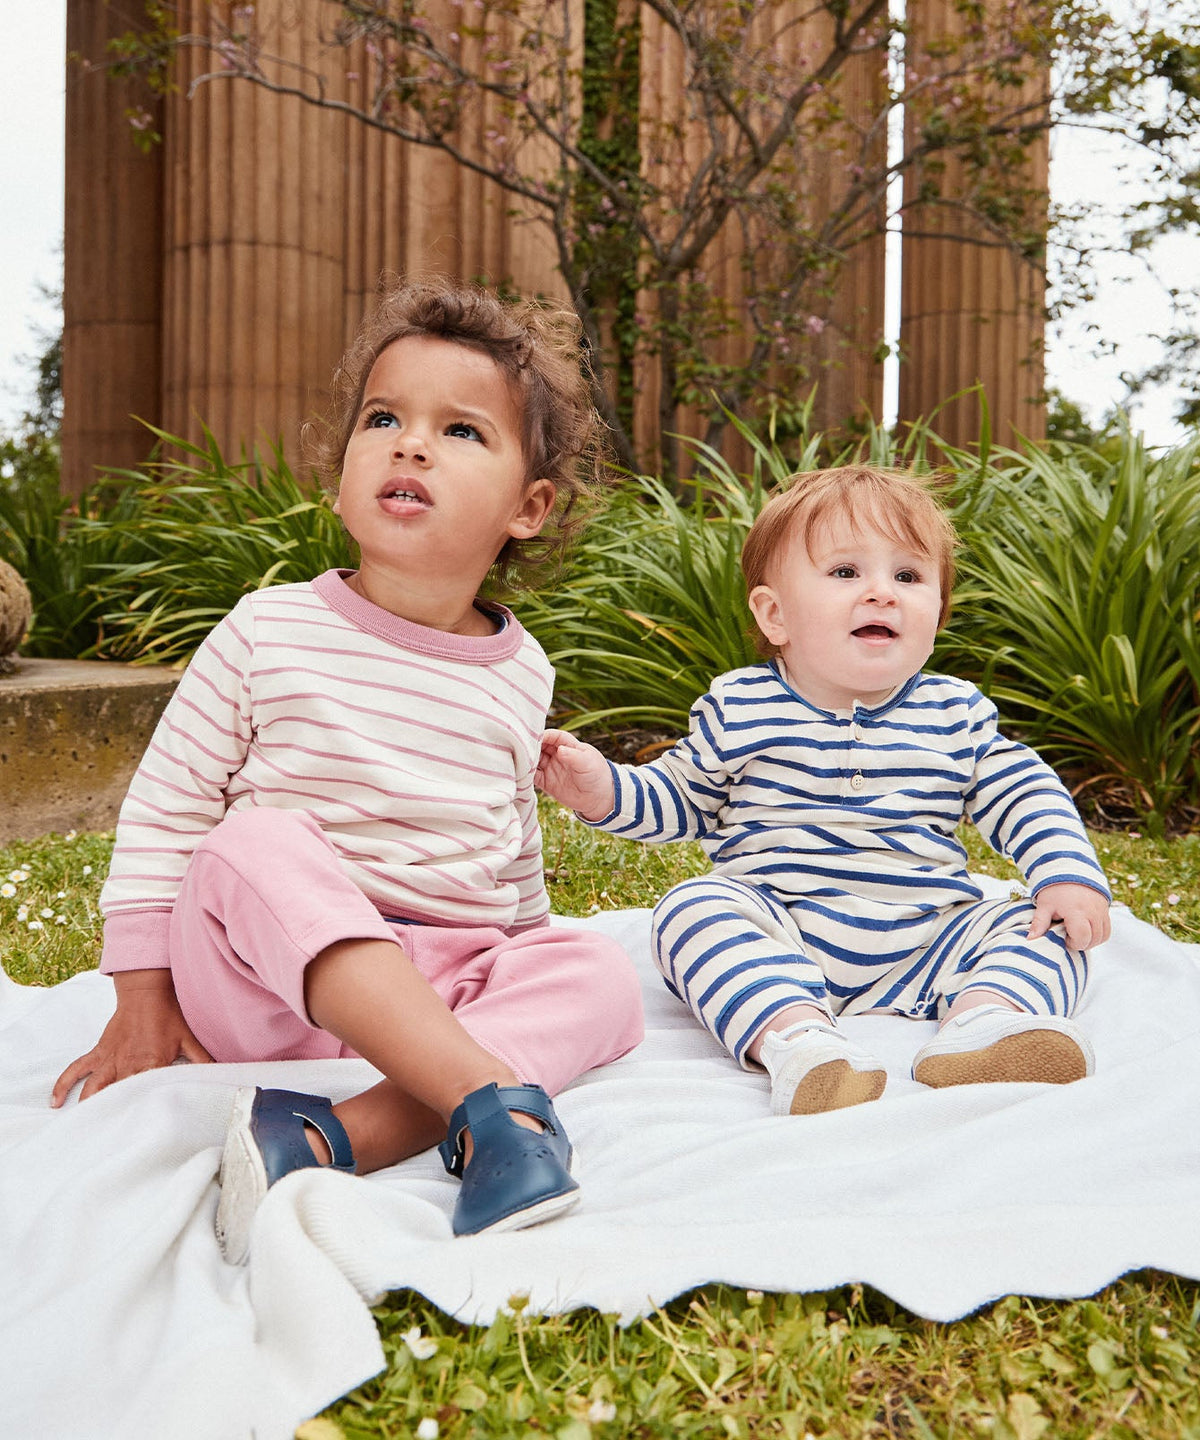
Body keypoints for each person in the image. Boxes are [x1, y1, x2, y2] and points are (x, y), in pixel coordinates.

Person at [51, 277, 644, 1262]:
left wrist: (525, 956)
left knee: (599, 973)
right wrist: (142, 1001)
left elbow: (509, 843)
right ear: (341, 477)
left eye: (461, 431)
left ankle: (337, 1135)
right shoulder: (269, 628)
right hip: (267, 987)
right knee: (252, 844)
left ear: (529, 507)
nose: (410, 445)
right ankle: (487, 1101)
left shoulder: (522, 668)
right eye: (383, 418)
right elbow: (168, 810)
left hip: (435, 986)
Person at [537, 464, 1111, 1117]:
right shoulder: (741, 705)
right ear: (775, 614)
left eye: (908, 576)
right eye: (845, 572)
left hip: (930, 934)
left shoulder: (955, 713)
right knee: (690, 910)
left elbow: (1024, 791)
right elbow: (681, 797)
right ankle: (798, 1037)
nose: (882, 593)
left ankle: (986, 1022)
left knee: (1042, 927)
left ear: (938, 614)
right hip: (783, 926)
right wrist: (603, 790)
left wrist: (1065, 874)